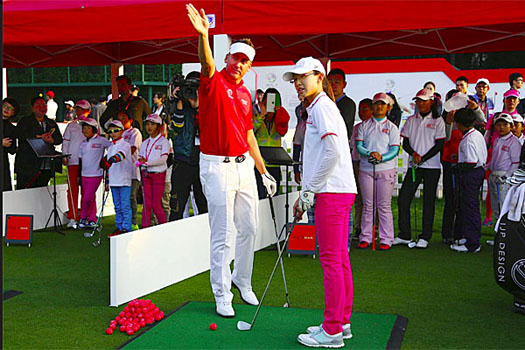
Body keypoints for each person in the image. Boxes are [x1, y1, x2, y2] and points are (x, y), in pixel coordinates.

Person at [187, 3, 277, 318]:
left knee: (250, 228)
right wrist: (204, 36)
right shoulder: (213, 81)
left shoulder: (245, 94)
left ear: (250, 66)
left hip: (244, 167)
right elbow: (206, 63)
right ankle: (222, 293)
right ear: (227, 57)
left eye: (245, 61)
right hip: (215, 166)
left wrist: (263, 171)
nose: (240, 64)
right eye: (236, 58)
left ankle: (242, 280)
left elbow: (249, 134)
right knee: (223, 233)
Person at [283, 57, 357, 348]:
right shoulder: (317, 107)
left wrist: (308, 191)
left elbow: (332, 153)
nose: (298, 83)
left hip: (331, 192)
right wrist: (309, 190)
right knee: (339, 259)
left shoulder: (323, 106)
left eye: (304, 77)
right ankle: (342, 322)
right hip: (334, 190)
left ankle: (332, 331)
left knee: (331, 261)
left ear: (319, 76)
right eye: (295, 79)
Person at [393, 89, 445, 249]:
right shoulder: (410, 120)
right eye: (418, 101)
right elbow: (405, 142)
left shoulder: (438, 121)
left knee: (428, 201)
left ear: (431, 102)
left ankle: (425, 236)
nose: (420, 104)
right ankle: (405, 234)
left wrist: (423, 157)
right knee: (403, 199)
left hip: (431, 167)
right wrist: (414, 154)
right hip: (414, 166)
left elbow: (439, 145)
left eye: (424, 101)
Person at [355, 93, 400, 250]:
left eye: (382, 104)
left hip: (385, 170)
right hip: (367, 169)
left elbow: (395, 149)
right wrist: (369, 154)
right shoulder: (364, 126)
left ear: (388, 107)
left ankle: (386, 238)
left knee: (384, 205)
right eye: (376, 104)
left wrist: (382, 157)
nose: (379, 107)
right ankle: (366, 236)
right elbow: (359, 146)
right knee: (368, 205)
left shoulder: (392, 128)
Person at [167, 71, 208, 221]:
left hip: (204, 158)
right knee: (177, 204)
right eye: (188, 88)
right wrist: (178, 102)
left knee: (204, 203)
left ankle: (206, 238)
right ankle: (173, 239)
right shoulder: (180, 104)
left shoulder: (209, 104)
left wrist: (197, 105)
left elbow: (208, 127)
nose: (191, 92)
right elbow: (177, 127)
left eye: (195, 88)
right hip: (183, 158)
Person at [450, 108, 487, 253]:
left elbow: (471, 161)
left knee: (470, 207)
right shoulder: (476, 134)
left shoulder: (469, 139)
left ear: (459, 123)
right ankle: (469, 236)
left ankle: (473, 243)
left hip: (471, 174)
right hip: (477, 172)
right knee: (469, 206)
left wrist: (457, 167)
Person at [15, 96, 63, 189]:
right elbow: (20, 134)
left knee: (43, 191)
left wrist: (51, 140)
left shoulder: (51, 123)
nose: (42, 107)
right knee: (25, 191)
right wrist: (39, 136)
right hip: (28, 165)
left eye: (44, 105)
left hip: (46, 165)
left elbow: (59, 139)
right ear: (32, 108)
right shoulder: (25, 121)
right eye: (39, 105)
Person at [253, 87, 290, 198]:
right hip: (259, 163)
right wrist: (262, 116)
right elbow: (250, 129)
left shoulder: (281, 117)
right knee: (260, 195)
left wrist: (278, 113)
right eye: (268, 100)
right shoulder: (256, 116)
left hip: (275, 162)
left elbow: (282, 131)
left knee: (275, 196)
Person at [62, 100, 92, 228]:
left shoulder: (93, 125)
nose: (80, 112)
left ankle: (85, 217)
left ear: (88, 111)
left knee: (86, 190)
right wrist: (65, 155)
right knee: (72, 189)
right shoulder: (71, 125)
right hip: (73, 160)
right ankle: (73, 217)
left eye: (83, 109)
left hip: (87, 162)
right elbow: (66, 142)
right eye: (78, 109)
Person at [137, 114, 170, 228]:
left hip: (159, 174)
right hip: (146, 174)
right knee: (146, 204)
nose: (149, 127)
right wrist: (142, 162)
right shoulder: (145, 142)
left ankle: (163, 227)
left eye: (152, 124)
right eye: (147, 124)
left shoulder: (164, 141)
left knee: (156, 204)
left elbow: (163, 159)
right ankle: (145, 228)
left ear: (159, 126)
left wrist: (147, 163)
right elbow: (140, 158)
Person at [78, 118, 111, 228]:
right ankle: (91, 219)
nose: (85, 130)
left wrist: (106, 160)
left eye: (88, 128)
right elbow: (80, 160)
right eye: (84, 128)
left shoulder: (101, 140)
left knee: (87, 197)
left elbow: (112, 147)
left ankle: (83, 217)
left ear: (94, 129)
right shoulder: (82, 143)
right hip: (84, 175)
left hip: (96, 174)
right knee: (89, 197)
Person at [487, 113, 521, 221]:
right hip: (493, 175)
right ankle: (498, 234)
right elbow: (495, 159)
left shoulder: (514, 141)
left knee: (503, 206)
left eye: (505, 125)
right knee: (495, 206)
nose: (501, 127)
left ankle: (504, 233)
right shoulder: (497, 140)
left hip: (504, 177)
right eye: (499, 125)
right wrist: (486, 167)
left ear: (511, 126)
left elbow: (515, 162)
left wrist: (507, 177)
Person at [349, 98, 373, 240]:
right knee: (358, 200)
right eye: (360, 109)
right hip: (355, 163)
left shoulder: (375, 127)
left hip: (369, 166)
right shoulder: (356, 128)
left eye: (365, 109)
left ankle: (372, 228)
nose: (362, 112)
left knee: (371, 200)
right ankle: (358, 227)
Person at [105, 120, 133, 235]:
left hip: (124, 179)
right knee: (117, 206)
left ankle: (126, 228)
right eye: (110, 131)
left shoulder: (125, 144)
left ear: (122, 131)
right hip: (114, 180)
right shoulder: (111, 146)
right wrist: (107, 180)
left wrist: (111, 160)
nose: (113, 133)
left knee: (125, 205)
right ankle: (119, 226)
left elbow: (120, 155)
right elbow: (107, 166)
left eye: (116, 131)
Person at [118, 111, 142, 231]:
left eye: (124, 118)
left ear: (130, 120)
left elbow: (133, 149)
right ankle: (122, 223)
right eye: (120, 118)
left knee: (131, 197)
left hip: (132, 170)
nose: (122, 120)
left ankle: (133, 222)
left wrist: (118, 156)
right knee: (121, 198)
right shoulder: (118, 133)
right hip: (119, 172)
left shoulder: (135, 132)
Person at [328, 68, 356, 139]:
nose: (333, 86)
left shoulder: (349, 104)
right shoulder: (326, 102)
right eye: (330, 83)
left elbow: (340, 124)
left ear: (344, 84)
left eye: (337, 82)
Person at [3, 97, 19, 191]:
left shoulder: (12, 128)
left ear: (13, 113)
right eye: (5, 106)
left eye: (10, 108)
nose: (6, 109)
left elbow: (12, 150)